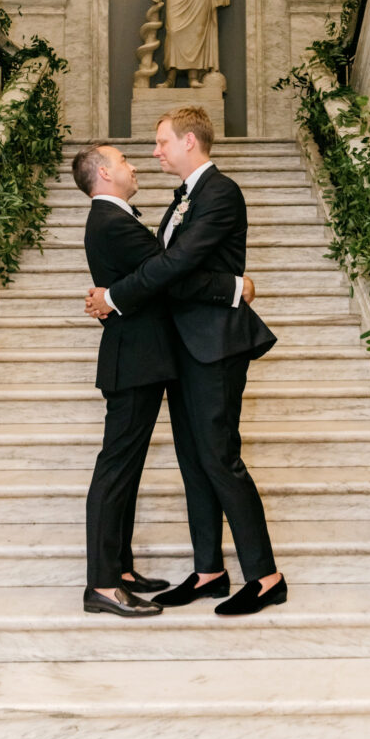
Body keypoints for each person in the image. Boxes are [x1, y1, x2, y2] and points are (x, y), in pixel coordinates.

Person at [86, 107, 287, 616]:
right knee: (193, 461)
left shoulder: (221, 192)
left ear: (190, 141)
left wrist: (114, 297)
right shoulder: (181, 199)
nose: (154, 152)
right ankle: (209, 570)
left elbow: (172, 267)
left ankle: (265, 576)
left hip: (216, 345)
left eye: (161, 143)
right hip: (181, 350)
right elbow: (164, 268)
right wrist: (233, 286)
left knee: (220, 459)